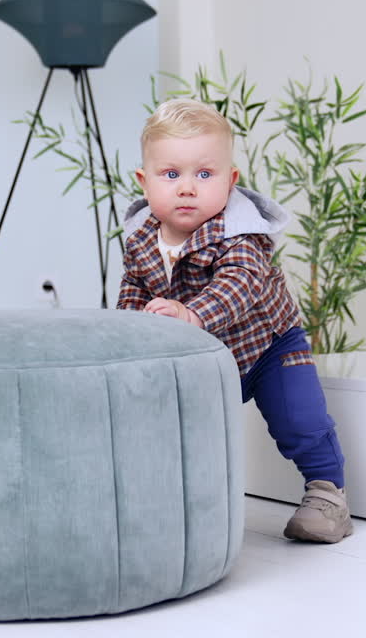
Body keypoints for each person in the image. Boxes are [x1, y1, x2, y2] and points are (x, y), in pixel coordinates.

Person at [117, 97, 352, 543]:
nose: (187, 187)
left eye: (204, 174)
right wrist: (129, 334)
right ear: (144, 182)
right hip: (202, 357)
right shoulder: (141, 239)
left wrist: (191, 313)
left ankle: (327, 494)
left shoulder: (241, 232)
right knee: (179, 428)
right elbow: (133, 291)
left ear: (231, 180)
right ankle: (183, 501)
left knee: (299, 419)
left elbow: (238, 286)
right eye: (171, 174)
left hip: (267, 345)